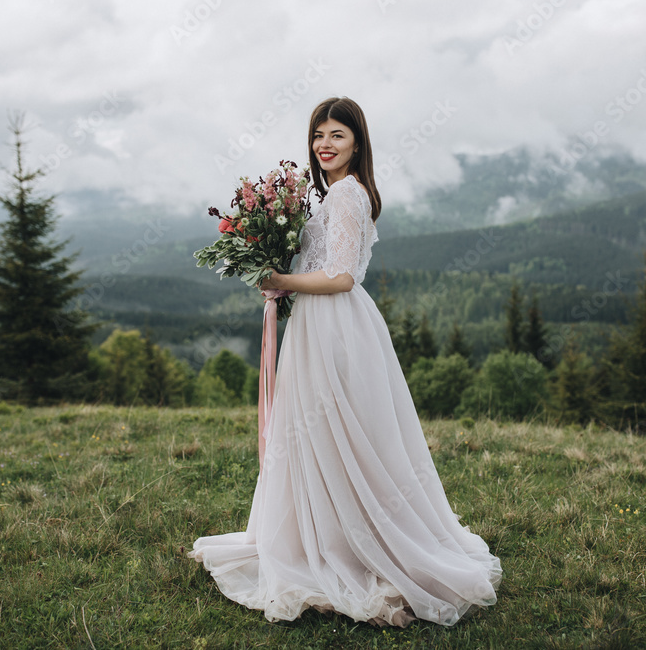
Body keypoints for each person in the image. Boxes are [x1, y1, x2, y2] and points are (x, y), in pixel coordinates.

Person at [187, 96, 502, 627]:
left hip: (335, 326)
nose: (325, 145)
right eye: (318, 136)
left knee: (342, 435)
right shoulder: (330, 195)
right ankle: (322, 536)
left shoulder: (349, 196)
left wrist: (281, 281)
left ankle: (357, 549)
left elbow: (340, 277)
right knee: (319, 435)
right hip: (317, 323)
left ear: (357, 141)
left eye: (337, 134)